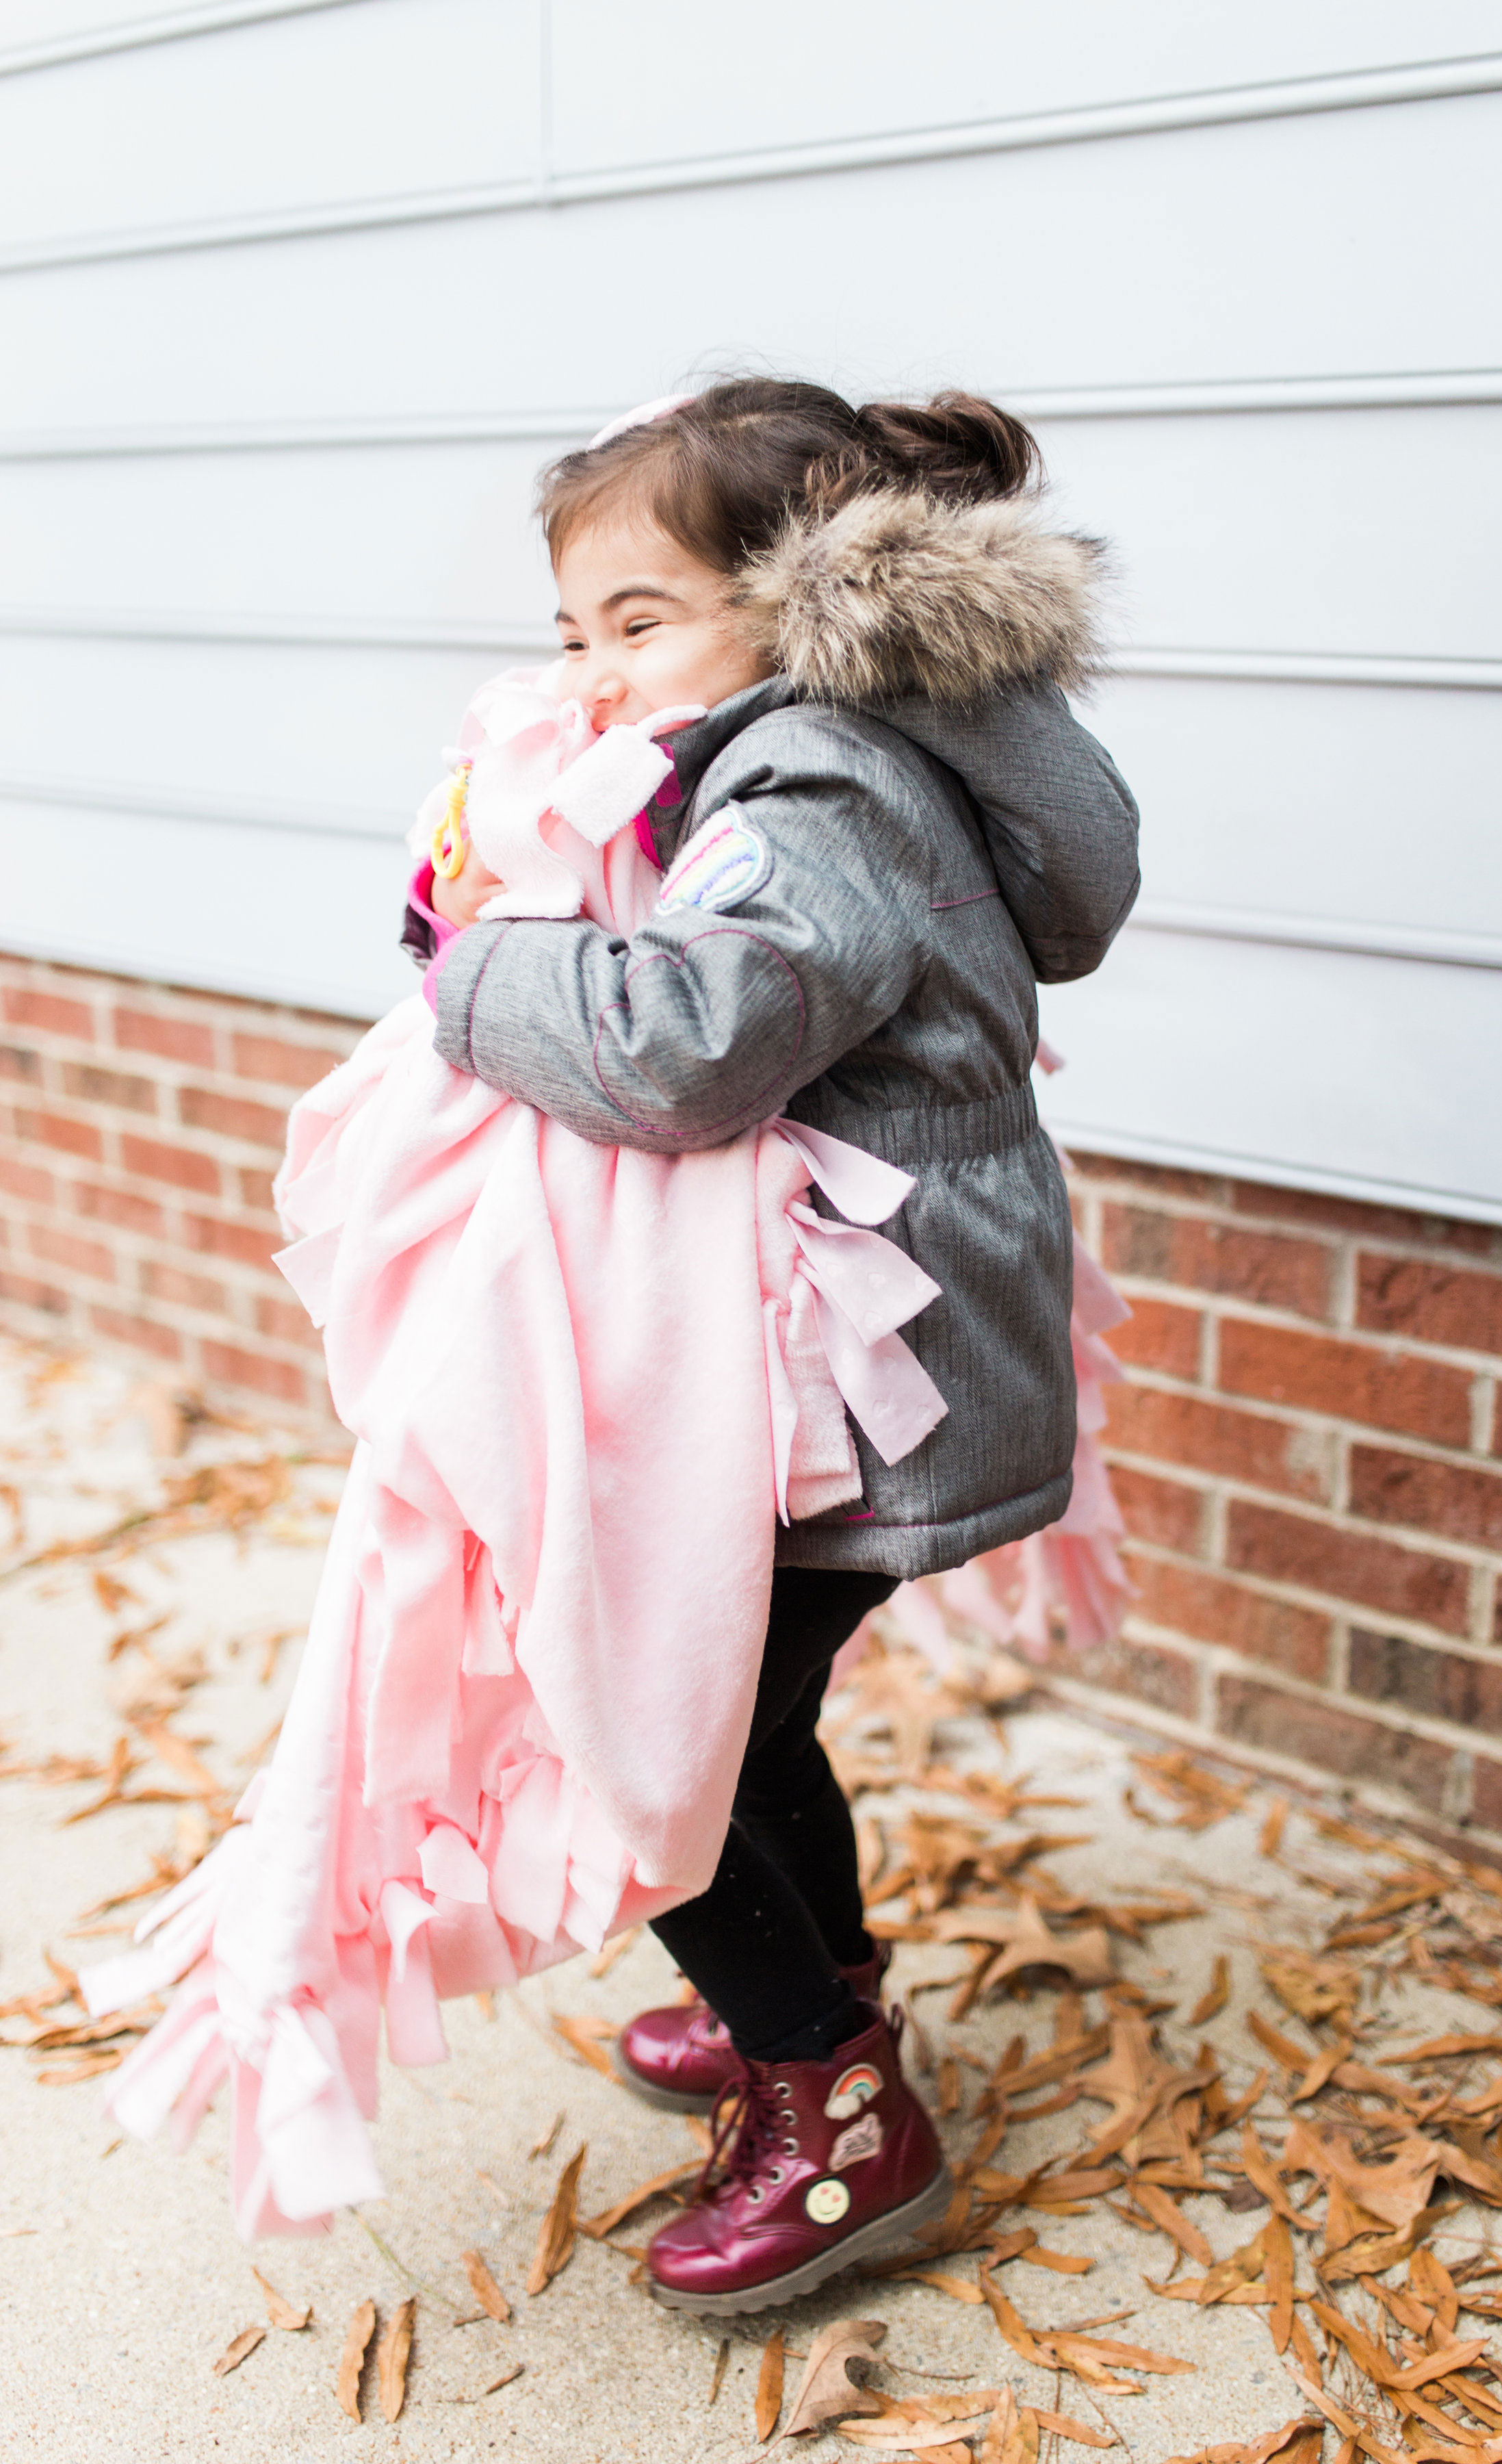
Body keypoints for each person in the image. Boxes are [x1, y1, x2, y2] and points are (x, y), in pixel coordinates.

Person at [409, 376, 1141, 2313]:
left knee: (649, 1723)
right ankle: (816, 2004)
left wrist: (471, 955)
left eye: (642, 623)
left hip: (861, 1358)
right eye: (575, 632)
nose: (598, 673)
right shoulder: (831, 749)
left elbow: (692, 1040)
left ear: (803, 595)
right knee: (747, 1712)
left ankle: (835, 2103)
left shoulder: (812, 782)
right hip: (875, 1329)